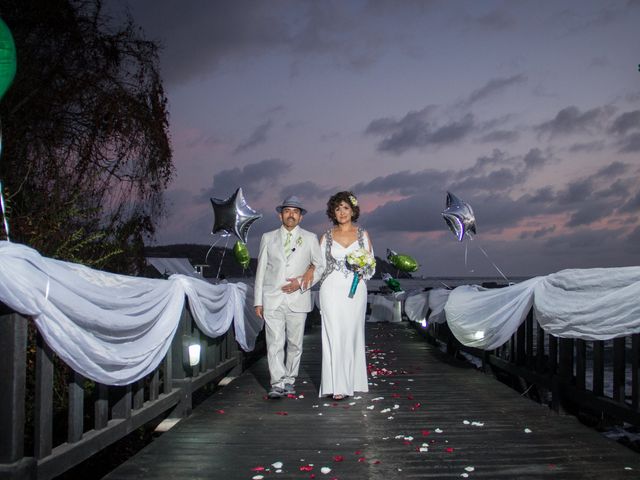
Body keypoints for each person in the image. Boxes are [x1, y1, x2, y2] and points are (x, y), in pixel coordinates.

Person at [254, 195, 324, 399]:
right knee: (274, 343)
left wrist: (300, 282)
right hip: (272, 298)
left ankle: (290, 380)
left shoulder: (310, 238)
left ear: (301, 217)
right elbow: (261, 270)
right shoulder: (268, 237)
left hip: (298, 299)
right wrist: (258, 301)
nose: (291, 215)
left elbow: (319, 267)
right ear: (280, 215)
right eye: (287, 211)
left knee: (295, 344)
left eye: (295, 211)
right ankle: (277, 383)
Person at [318, 191, 374, 400]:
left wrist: (362, 268)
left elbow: (371, 267)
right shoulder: (326, 236)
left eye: (345, 208)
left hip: (355, 290)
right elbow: (318, 266)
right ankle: (336, 385)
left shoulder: (362, 235)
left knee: (351, 333)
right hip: (330, 289)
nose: (341, 212)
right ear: (333, 211)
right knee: (333, 334)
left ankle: (353, 380)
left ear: (353, 210)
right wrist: (301, 281)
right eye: (337, 208)